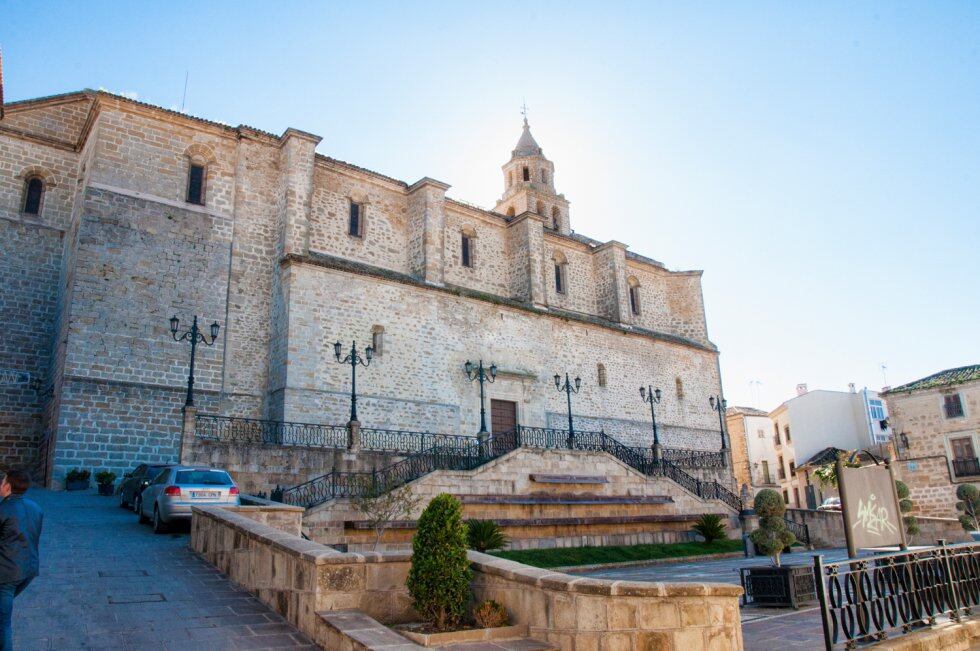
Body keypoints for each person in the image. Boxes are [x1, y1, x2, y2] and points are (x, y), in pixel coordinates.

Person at [0, 470, 43, 651]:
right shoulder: (37, 508)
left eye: (2, 482)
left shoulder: (2, 510)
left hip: (6, 575)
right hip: (29, 570)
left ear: (8, 486)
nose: (0, 485)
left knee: (3, 624)